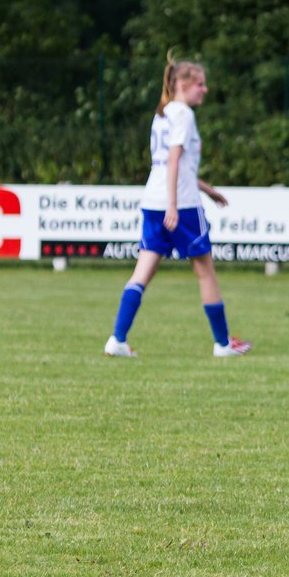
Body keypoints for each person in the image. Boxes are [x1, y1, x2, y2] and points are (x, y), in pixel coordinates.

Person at [103, 52, 252, 359]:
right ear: (183, 84)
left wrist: (207, 189)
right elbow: (173, 160)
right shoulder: (183, 113)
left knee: (142, 273)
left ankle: (117, 339)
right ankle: (223, 344)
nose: (205, 90)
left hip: (152, 201)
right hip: (180, 206)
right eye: (200, 84)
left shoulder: (163, 112)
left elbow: (172, 165)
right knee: (205, 273)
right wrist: (174, 205)